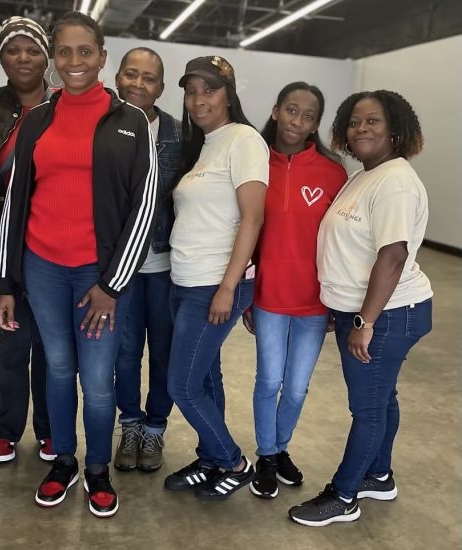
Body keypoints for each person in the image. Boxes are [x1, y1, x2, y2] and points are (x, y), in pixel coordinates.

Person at [0, 11, 157, 518]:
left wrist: (112, 285)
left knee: (98, 378)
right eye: (63, 52)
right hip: (42, 268)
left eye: (85, 51)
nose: (74, 61)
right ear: (54, 59)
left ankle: (98, 469)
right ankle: (64, 461)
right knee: (59, 369)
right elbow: (14, 203)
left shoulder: (130, 121)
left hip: (98, 277)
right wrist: (6, 281)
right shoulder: (38, 119)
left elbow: (144, 206)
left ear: (102, 57)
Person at [289, 90, 433, 526]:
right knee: (382, 399)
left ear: (395, 130)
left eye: (373, 121)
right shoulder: (364, 175)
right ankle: (379, 475)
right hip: (368, 310)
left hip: (389, 313)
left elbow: (393, 255)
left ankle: (344, 495)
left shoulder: (395, 181)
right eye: (354, 122)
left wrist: (364, 321)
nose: (361, 129)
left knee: (367, 408)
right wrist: (341, 303)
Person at [163, 56, 268, 500]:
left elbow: (252, 219)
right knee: (205, 377)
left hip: (214, 284)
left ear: (229, 94)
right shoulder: (204, 145)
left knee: (181, 385)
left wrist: (228, 287)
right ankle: (210, 459)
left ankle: (234, 461)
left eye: (210, 89)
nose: (198, 99)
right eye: (191, 91)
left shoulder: (244, 140)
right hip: (184, 280)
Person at [242, 82, 348, 499]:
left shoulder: (332, 173)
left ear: (316, 124)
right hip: (268, 295)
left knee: (298, 386)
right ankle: (266, 456)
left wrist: (338, 300)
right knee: (269, 380)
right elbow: (244, 231)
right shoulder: (254, 162)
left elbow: (341, 241)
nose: (297, 121)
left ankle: (280, 447)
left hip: (315, 301)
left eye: (308, 116)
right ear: (275, 111)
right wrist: (245, 294)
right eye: (291, 110)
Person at [0, 16, 53, 464]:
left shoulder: (62, 106)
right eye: (12, 49)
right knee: (13, 343)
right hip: (7, 247)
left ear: (46, 58)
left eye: (33, 49)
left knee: (52, 348)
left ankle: (51, 430)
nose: (23, 58)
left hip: (53, 243)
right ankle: (5, 430)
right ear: (1, 57)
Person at [113, 47, 181, 472]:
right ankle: (130, 425)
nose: (138, 83)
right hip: (119, 267)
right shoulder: (104, 125)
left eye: (149, 78)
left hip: (164, 265)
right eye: (131, 74)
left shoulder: (177, 133)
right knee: (124, 353)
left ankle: (155, 428)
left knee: (163, 352)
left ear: (160, 87)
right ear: (117, 77)